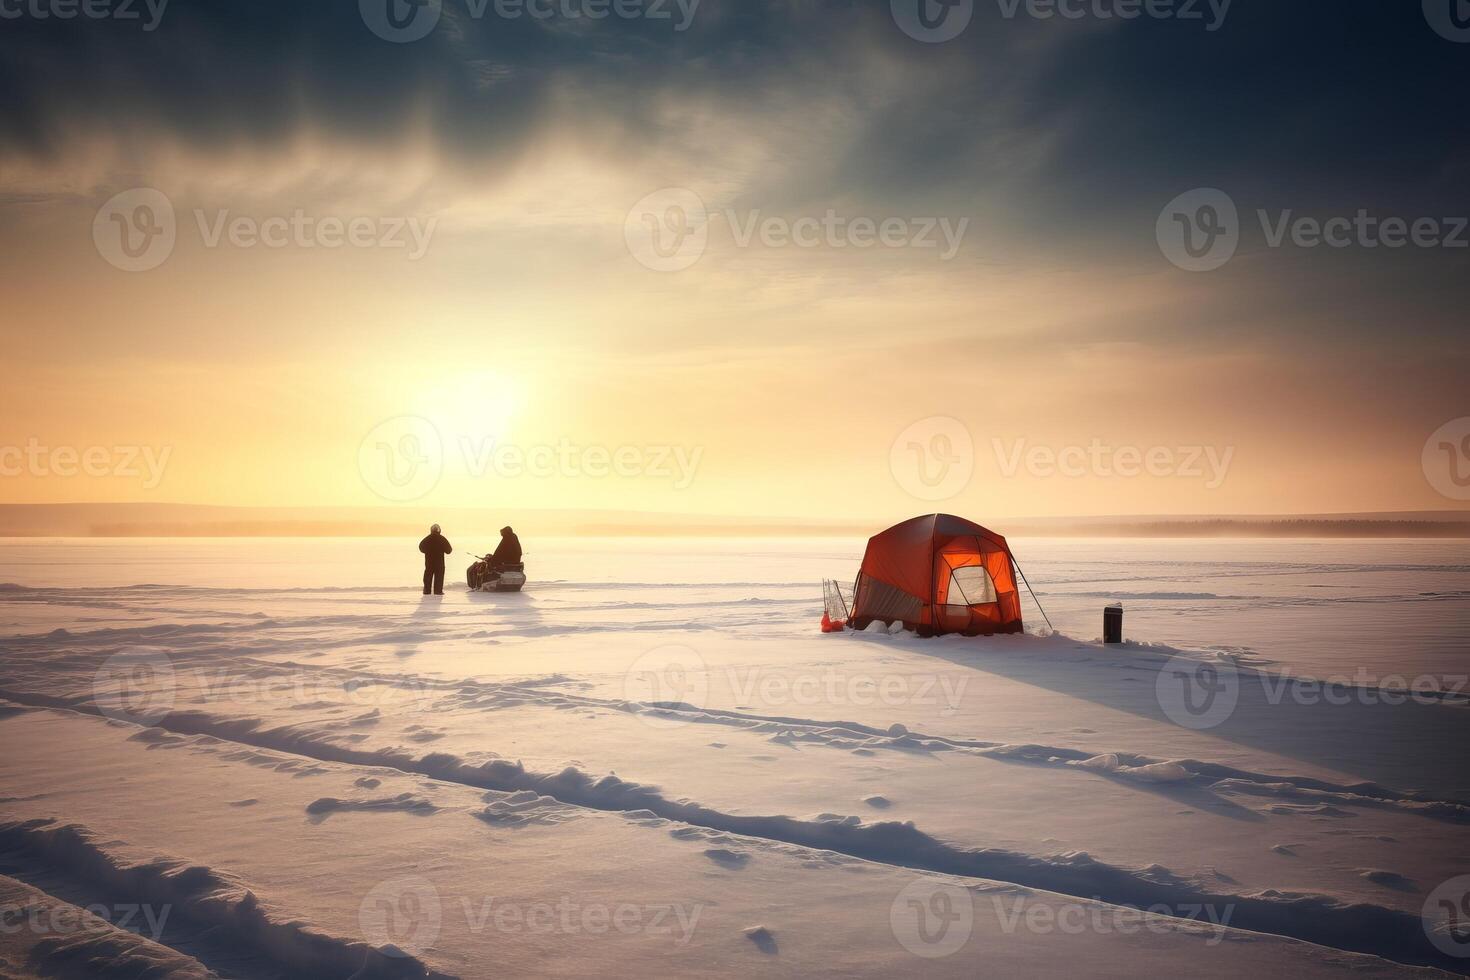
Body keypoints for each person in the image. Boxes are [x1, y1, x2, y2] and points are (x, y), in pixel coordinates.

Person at [418, 524, 453, 595]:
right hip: (439, 562)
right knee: (439, 577)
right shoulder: (442, 539)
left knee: (428, 575)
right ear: (439, 530)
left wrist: (427, 551)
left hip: (429, 561)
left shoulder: (427, 538)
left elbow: (421, 547)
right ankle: (438, 591)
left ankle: (426, 591)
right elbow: (449, 550)